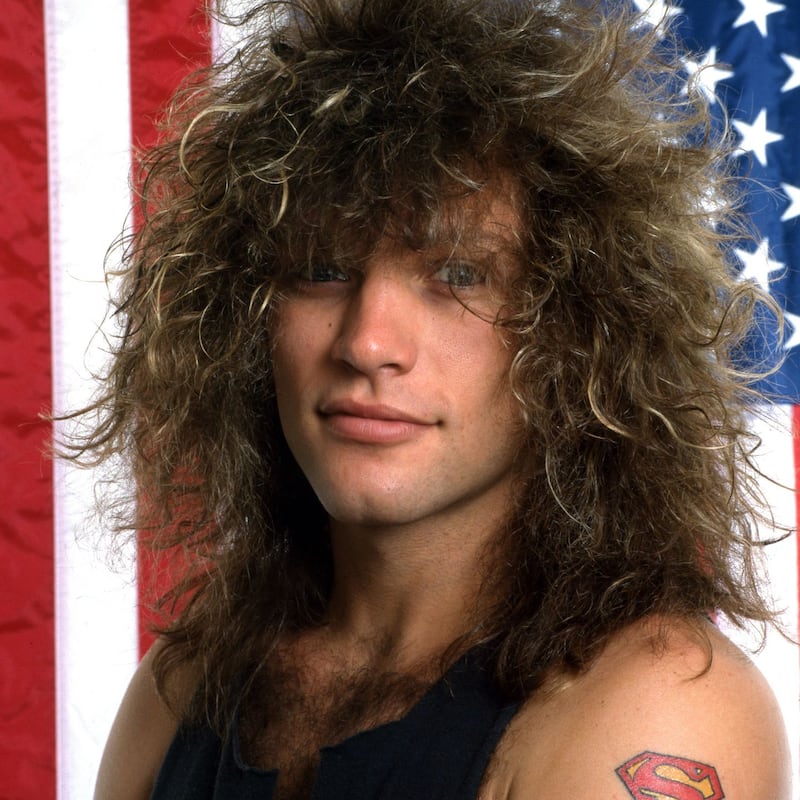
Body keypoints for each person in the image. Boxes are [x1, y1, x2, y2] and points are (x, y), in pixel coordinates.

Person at [78, 0, 792, 797]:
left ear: (579, 333)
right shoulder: (184, 683)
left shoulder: (663, 705)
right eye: (322, 267)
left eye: (457, 275)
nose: (368, 342)